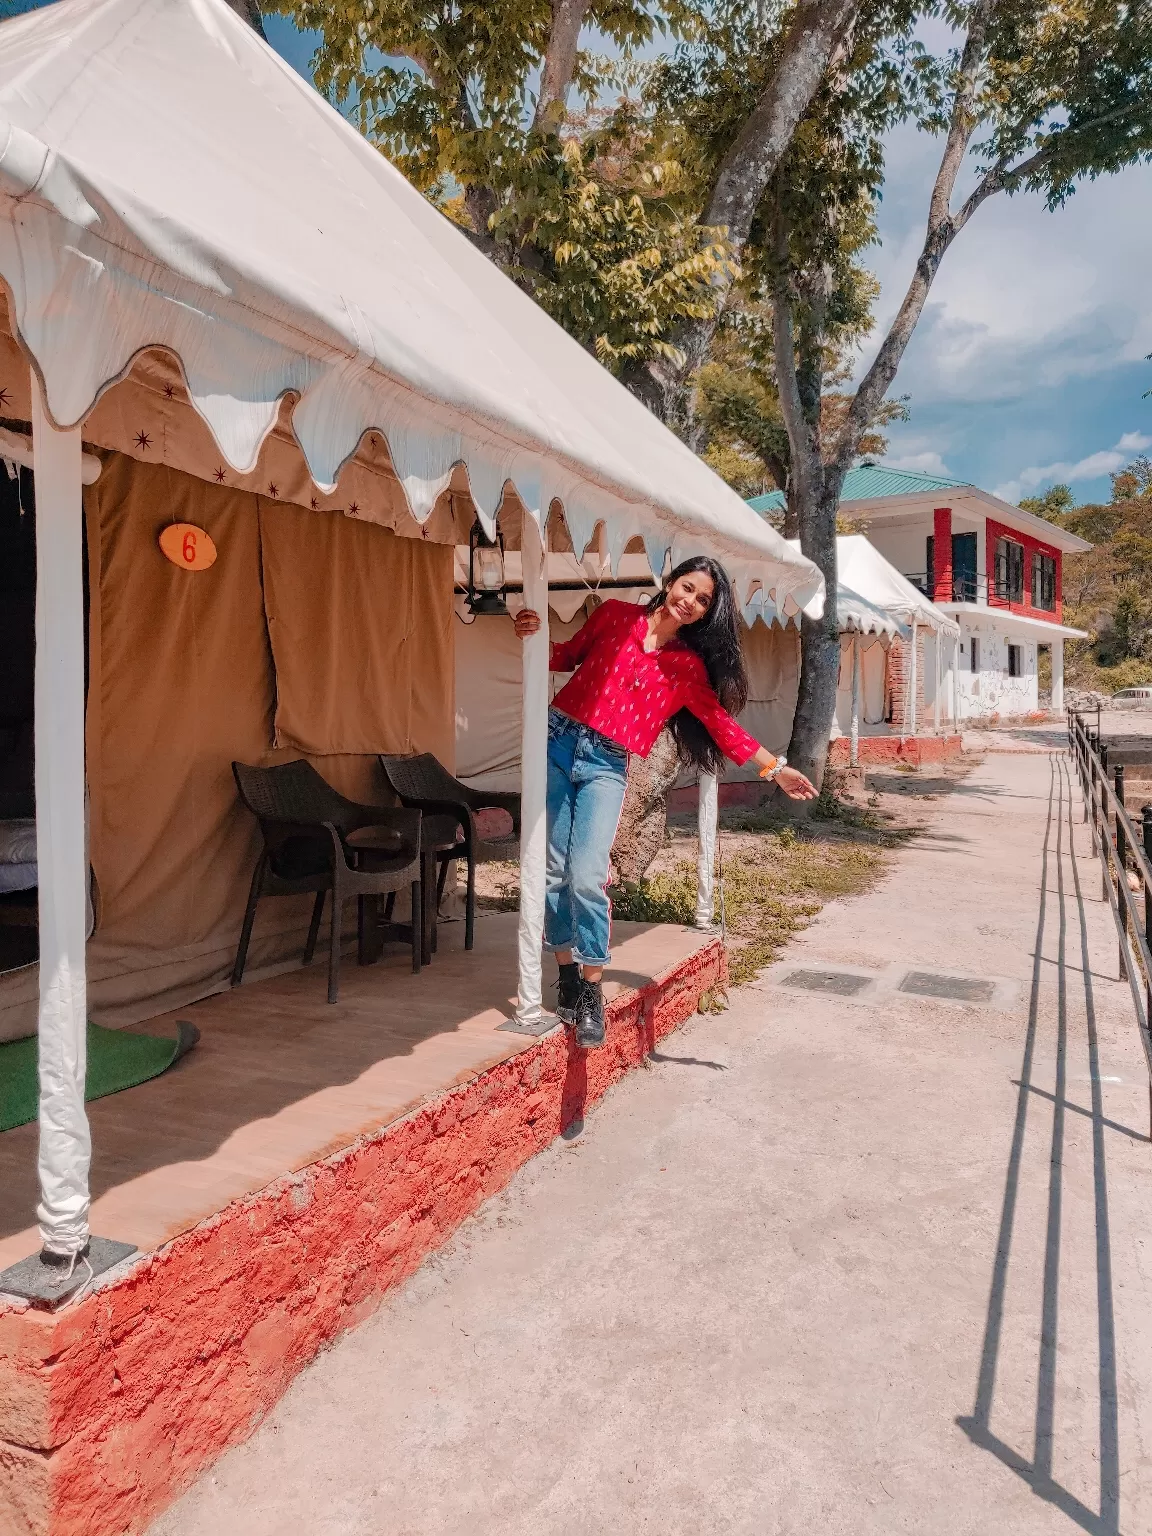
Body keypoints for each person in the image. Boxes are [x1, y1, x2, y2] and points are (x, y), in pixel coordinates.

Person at [514, 554, 817, 1048]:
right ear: (670, 581)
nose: (690, 602)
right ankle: (566, 974)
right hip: (557, 740)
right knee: (552, 870)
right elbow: (566, 656)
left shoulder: (686, 668)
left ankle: (590, 990)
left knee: (588, 874)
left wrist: (775, 768)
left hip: (607, 764)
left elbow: (720, 726)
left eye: (703, 600)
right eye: (688, 588)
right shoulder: (614, 615)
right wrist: (531, 634)